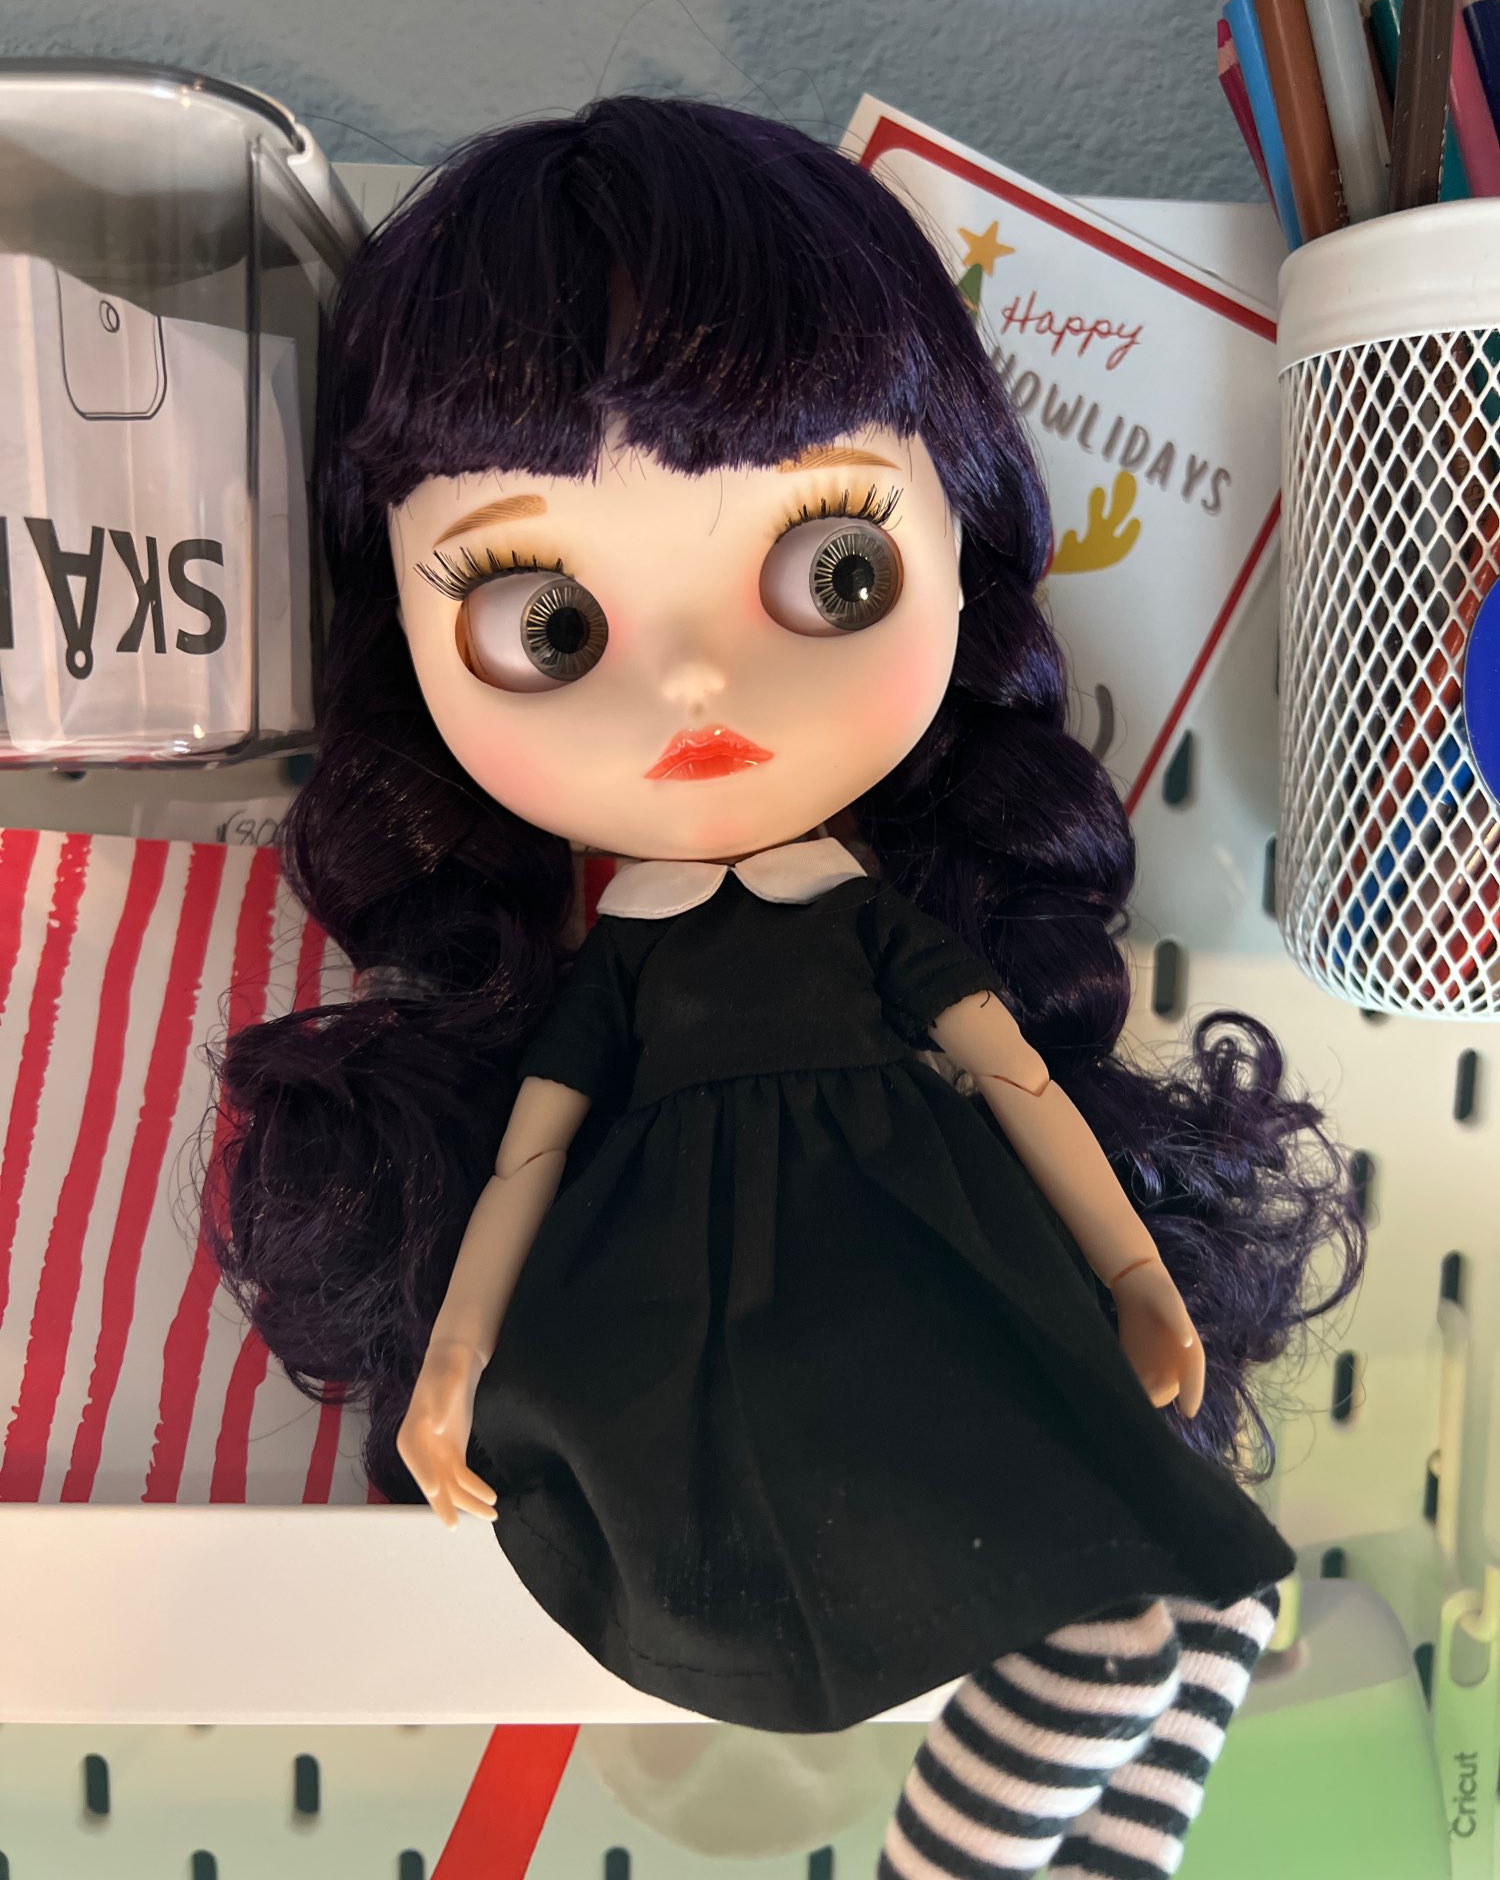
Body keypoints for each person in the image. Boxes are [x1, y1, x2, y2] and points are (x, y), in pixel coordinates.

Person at [209, 96, 1363, 1878]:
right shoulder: (626, 967)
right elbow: (525, 1164)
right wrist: (453, 1370)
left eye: (834, 571)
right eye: (547, 623)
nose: (691, 685)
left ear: (957, 549)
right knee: (1123, 1621)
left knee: (1210, 1595)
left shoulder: (878, 930)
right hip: (748, 1363)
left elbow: (1025, 1087)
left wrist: (1137, 1277)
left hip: (930, 1281)